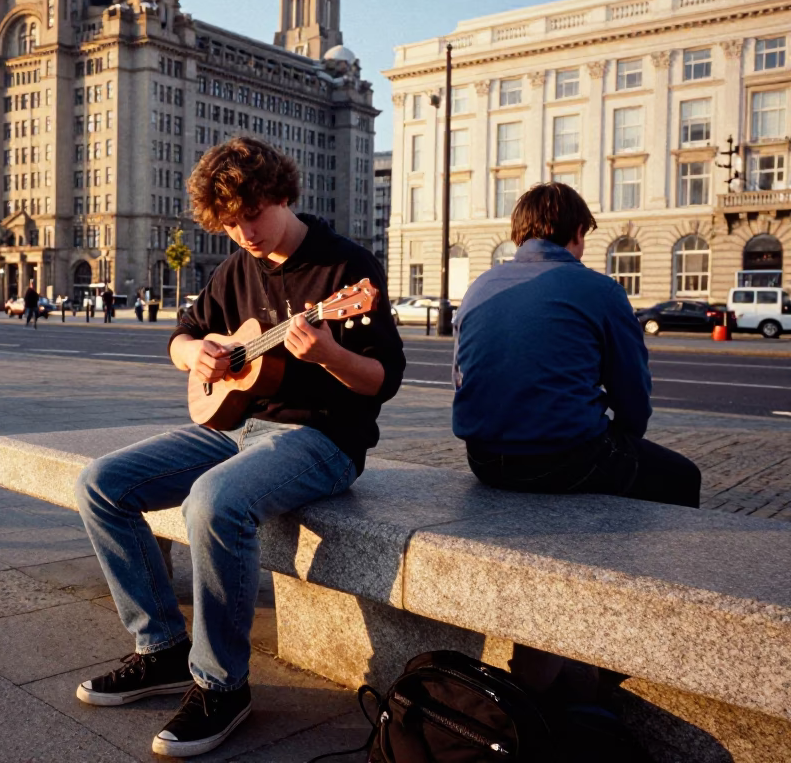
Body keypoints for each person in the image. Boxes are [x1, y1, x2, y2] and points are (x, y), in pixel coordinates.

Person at [73, 137, 405, 758]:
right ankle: (163, 648)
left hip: (320, 437)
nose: (243, 232)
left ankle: (222, 684)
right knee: (100, 483)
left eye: (251, 215)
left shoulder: (347, 271)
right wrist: (193, 353)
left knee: (213, 502)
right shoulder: (234, 269)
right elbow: (183, 337)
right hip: (228, 428)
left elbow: (382, 381)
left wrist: (329, 353)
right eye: (228, 224)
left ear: (281, 194)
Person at [452, 181, 701, 696]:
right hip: (564, 458)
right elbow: (633, 392)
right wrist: (625, 439)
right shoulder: (599, 289)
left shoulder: (479, 285)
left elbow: (465, 375)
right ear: (577, 233)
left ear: (519, 234)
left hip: (485, 458)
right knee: (682, 477)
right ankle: (633, 648)